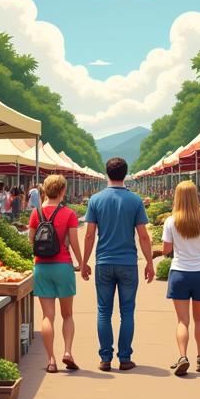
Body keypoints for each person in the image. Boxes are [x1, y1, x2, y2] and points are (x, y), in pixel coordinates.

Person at [81, 157, 154, 371]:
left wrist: (84, 262)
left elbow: (89, 235)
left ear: (107, 174)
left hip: (103, 261)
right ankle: (124, 358)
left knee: (103, 311)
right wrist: (149, 262)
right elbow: (143, 236)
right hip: (128, 263)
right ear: (125, 173)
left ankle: (105, 358)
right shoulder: (135, 201)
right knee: (127, 312)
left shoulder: (96, 200)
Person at [29, 174, 83, 373]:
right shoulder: (69, 213)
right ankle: (67, 352)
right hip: (63, 265)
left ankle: (51, 360)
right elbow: (74, 242)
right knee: (67, 314)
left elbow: (31, 240)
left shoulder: (36, 213)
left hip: (41, 267)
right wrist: (82, 263)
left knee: (47, 316)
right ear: (62, 191)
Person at [163, 181, 200, 376]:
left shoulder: (171, 221)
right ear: (196, 197)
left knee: (182, 321)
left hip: (179, 273)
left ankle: (182, 356)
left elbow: (167, 249)